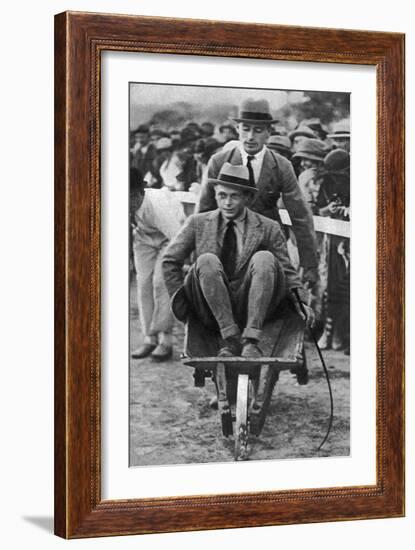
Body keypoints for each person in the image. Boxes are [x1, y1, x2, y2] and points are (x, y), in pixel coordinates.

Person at [162, 163, 314, 359]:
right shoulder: (198, 223)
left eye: (234, 196)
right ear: (215, 194)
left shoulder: (269, 227)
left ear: (248, 198)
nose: (227, 203)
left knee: (264, 258)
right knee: (206, 260)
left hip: (253, 304)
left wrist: (301, 303)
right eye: (222, 195)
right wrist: (180, 300)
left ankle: (251, 341)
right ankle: (230, 339)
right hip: (210, 306)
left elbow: (287, 270)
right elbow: (169, 260)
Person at [198, 98, 318, 288]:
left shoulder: (281, 166)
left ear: (268, 133)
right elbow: (203, 211)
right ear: (237, 129)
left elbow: (300, 214)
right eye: (245, 129)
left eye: (258, 130)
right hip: (227, 246)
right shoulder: (219, 161)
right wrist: (200, 256)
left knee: (267, 305)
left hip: (268, 246)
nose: (250, 136)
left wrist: (309, 263)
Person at [130, 167, 185, 361]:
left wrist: (184, 264)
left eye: (129, 197)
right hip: (143, 237)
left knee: (160, 283)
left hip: (169, 239)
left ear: (140, 192)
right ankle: (149, 338)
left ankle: (165, 340)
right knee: (143, 283)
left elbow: (180, 239)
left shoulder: (158, 205)